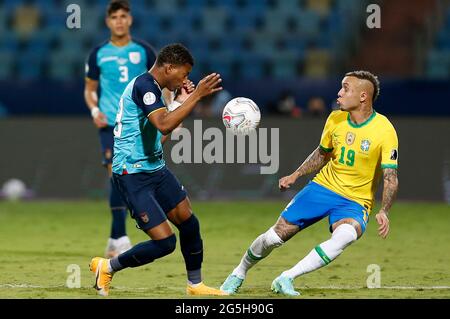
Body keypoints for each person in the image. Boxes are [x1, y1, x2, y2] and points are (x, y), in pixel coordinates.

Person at [220, 70, 399, 296]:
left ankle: (287, 277)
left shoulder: (385, 130)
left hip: (355, 201)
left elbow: (390, 176)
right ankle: (238, 272)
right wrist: (295, 175)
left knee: (346, 236)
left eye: (346, 88)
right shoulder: (335, 119)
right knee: (275, 237)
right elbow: (322, 154)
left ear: (363, 96)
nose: (339, 92)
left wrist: (384, 210)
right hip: (322, 188)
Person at [89, 43, 227, 297]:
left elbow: (160, 136)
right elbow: (164, 125)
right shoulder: (144, 86)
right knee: (165, 243)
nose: (185, 79)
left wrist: (182, 101)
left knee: (189, 222)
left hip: (155, 168)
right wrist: (196, 97)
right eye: (183, 74)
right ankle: (107, 267)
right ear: (169, 67)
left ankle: (195, 286)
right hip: (132, 174)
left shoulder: (156, 90)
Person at [84, 0, 160, 258]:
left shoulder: (145, 51)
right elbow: (90, 90)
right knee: (116, 175)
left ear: (130, 20)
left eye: (123, 16)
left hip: (137, 124)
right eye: (114, 16)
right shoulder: (98, 54)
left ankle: (115, 237)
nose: (119, 20)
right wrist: (95, 111)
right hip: (109, 125)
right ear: (108, 21)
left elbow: (161, 83)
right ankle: (121, 237)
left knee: (129, 178)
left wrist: (167, 111)